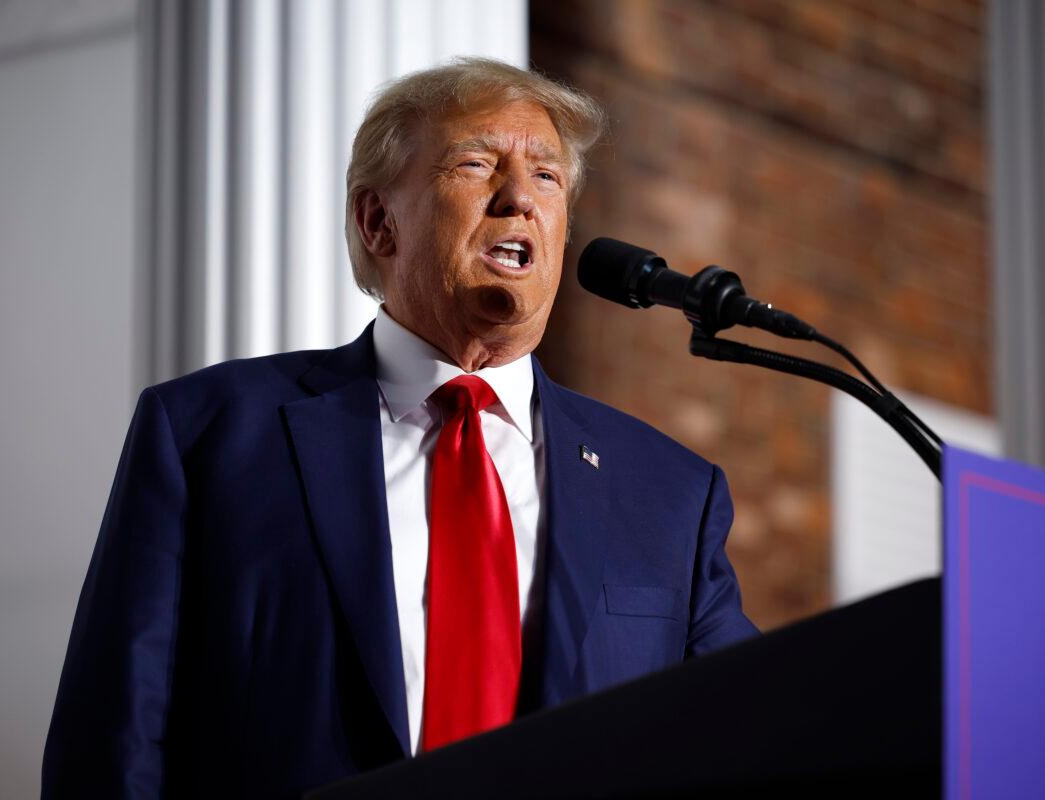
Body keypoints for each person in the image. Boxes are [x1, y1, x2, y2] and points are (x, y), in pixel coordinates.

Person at [42, 58, 757, 799]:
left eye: (547, 177)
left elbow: (748, 737)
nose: (519, 198)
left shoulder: (670, 493)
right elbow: (114, 743)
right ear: (379, 221)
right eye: (477, 165)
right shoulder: (209, 435)